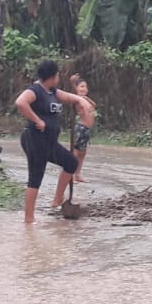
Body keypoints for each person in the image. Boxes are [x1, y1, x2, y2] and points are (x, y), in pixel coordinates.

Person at [14, 60, 93, 224]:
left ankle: (57, 199)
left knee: (71, 162)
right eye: (57, 75)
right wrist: (37, 120)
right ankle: (29, 219)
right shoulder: (35, 90)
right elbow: (20, 103)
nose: (58, 77)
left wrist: (80, 101)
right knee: (35, 177)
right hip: (35, 141)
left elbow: (68, 97)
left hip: (49, 142)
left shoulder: (52, 91)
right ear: (51, 76)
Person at [68, 73, 97, 183]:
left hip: (86, 129)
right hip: (81, 128)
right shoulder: (77, 99)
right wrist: (72, 82)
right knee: (76, 153)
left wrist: (86, 97)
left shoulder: (85, 99)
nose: (84, 89)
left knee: (83, 152)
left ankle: (78, 174)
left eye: (85, 87)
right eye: (81, 86)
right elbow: (72, 94)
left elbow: (94, 105)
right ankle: (69, 174)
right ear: (76, 89)